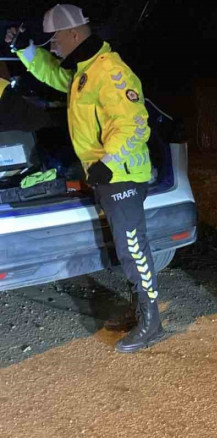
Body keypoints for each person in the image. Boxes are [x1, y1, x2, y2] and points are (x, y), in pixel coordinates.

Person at [6, 4, 163, 353]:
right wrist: (26, 50)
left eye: (55, 40)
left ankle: (152, 322)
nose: (53, 47)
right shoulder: (84, 72)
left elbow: (134, 123)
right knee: (126, 247)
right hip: (107, 175)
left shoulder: (110, 72)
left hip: (121, 175)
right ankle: (141, 313)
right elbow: (53, 76)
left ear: (74, 34)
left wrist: (109, 162)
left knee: (133, 248)